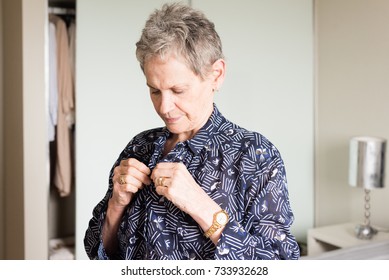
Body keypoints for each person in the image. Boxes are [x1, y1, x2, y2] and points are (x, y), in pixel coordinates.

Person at [84, 2, 300, 260]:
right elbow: (96, 252)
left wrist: (203, 208)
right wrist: (115, 207)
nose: (164, 107)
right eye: (154, 90)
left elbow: (280, 263)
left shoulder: (255, 155)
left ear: (216, 75)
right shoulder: (139, 147)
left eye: (178, 90)